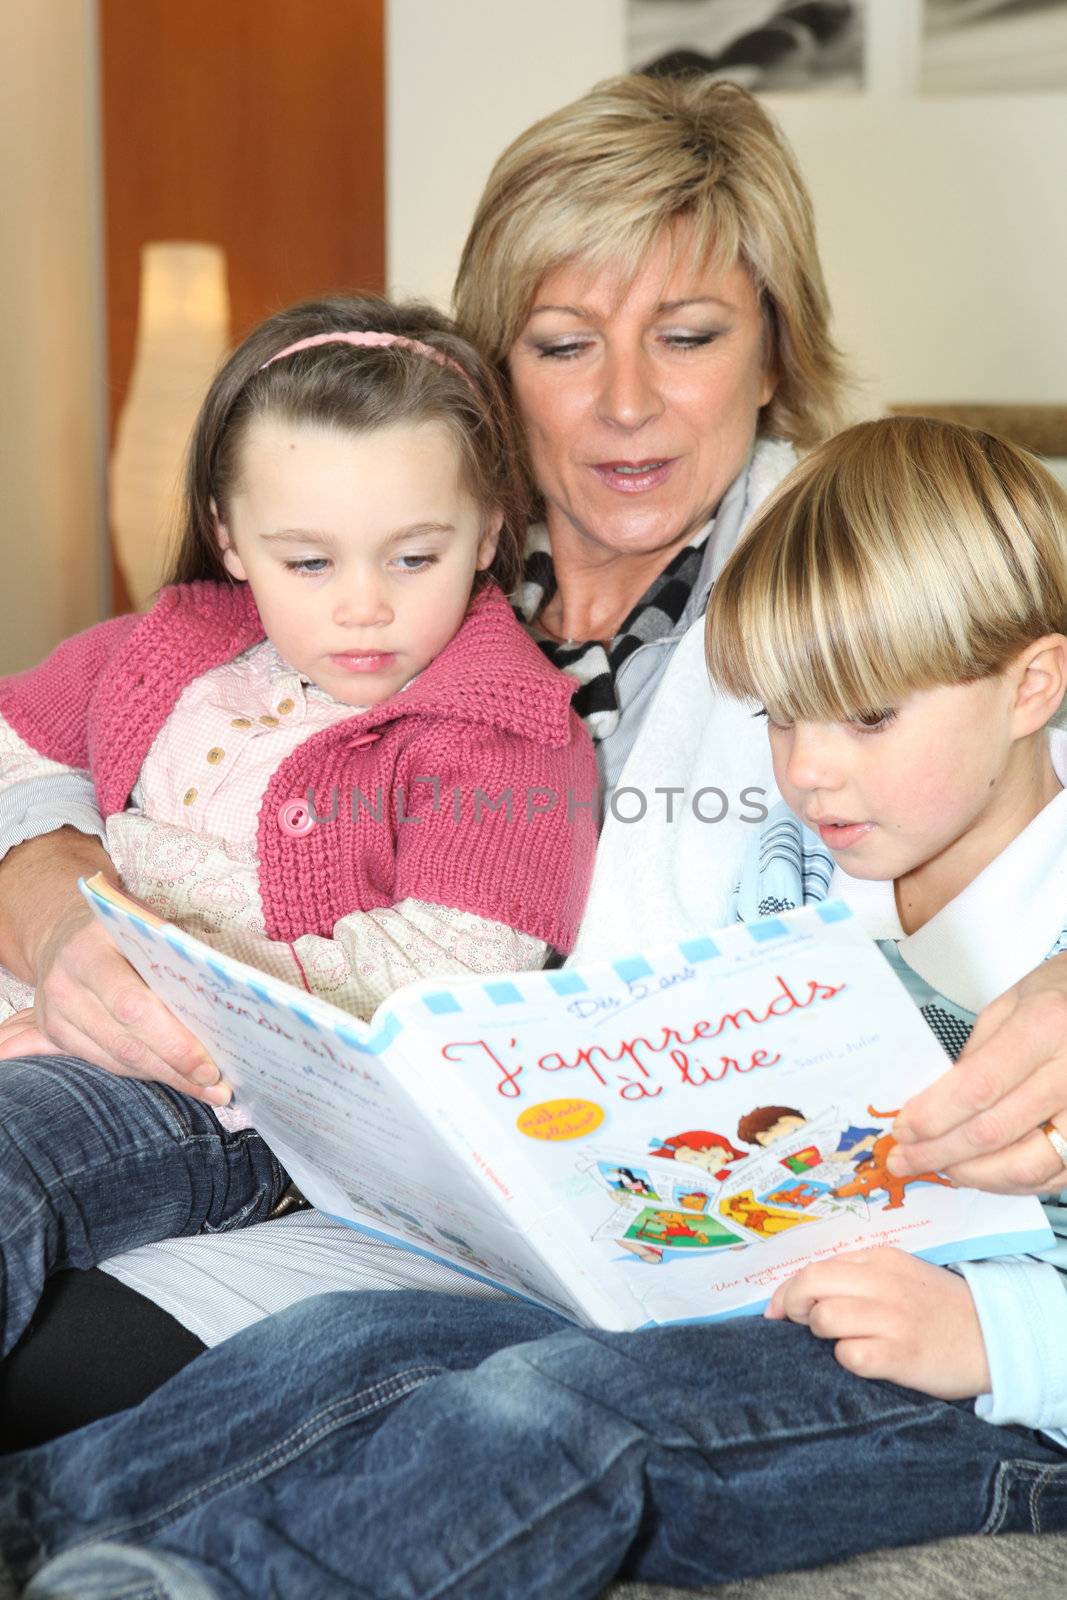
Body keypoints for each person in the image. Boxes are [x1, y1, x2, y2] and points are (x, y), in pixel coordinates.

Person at [0, 71, 1065, 1432]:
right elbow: (85, 732)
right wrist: (46, 890)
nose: (625, 404)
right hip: (319, 1159)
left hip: (601, 1256)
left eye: (685, 335)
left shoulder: (852, 561)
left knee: (57, 1366)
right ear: (493, 371)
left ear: (773, 351)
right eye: (563, 346)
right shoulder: (396, 551)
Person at [6, 418, 1067, 1600]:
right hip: (701, 1303)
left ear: (1031, 684)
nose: (807, 770)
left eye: (866, 718)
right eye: (778, 716)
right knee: (343, 1344)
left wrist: (995, 1337)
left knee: (545, 1411)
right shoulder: (799, 864)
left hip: (971, 1394)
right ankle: (34, 1536)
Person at [0, 292, 597, 1357]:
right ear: (232, 539)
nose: (361, 605)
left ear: (489, 532)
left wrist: (126, 883)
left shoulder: (511, 733)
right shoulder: (177, 644)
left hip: (232, 1105)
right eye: (308, 562)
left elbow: (434, 984)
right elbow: (19, 737)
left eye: (412, 557)